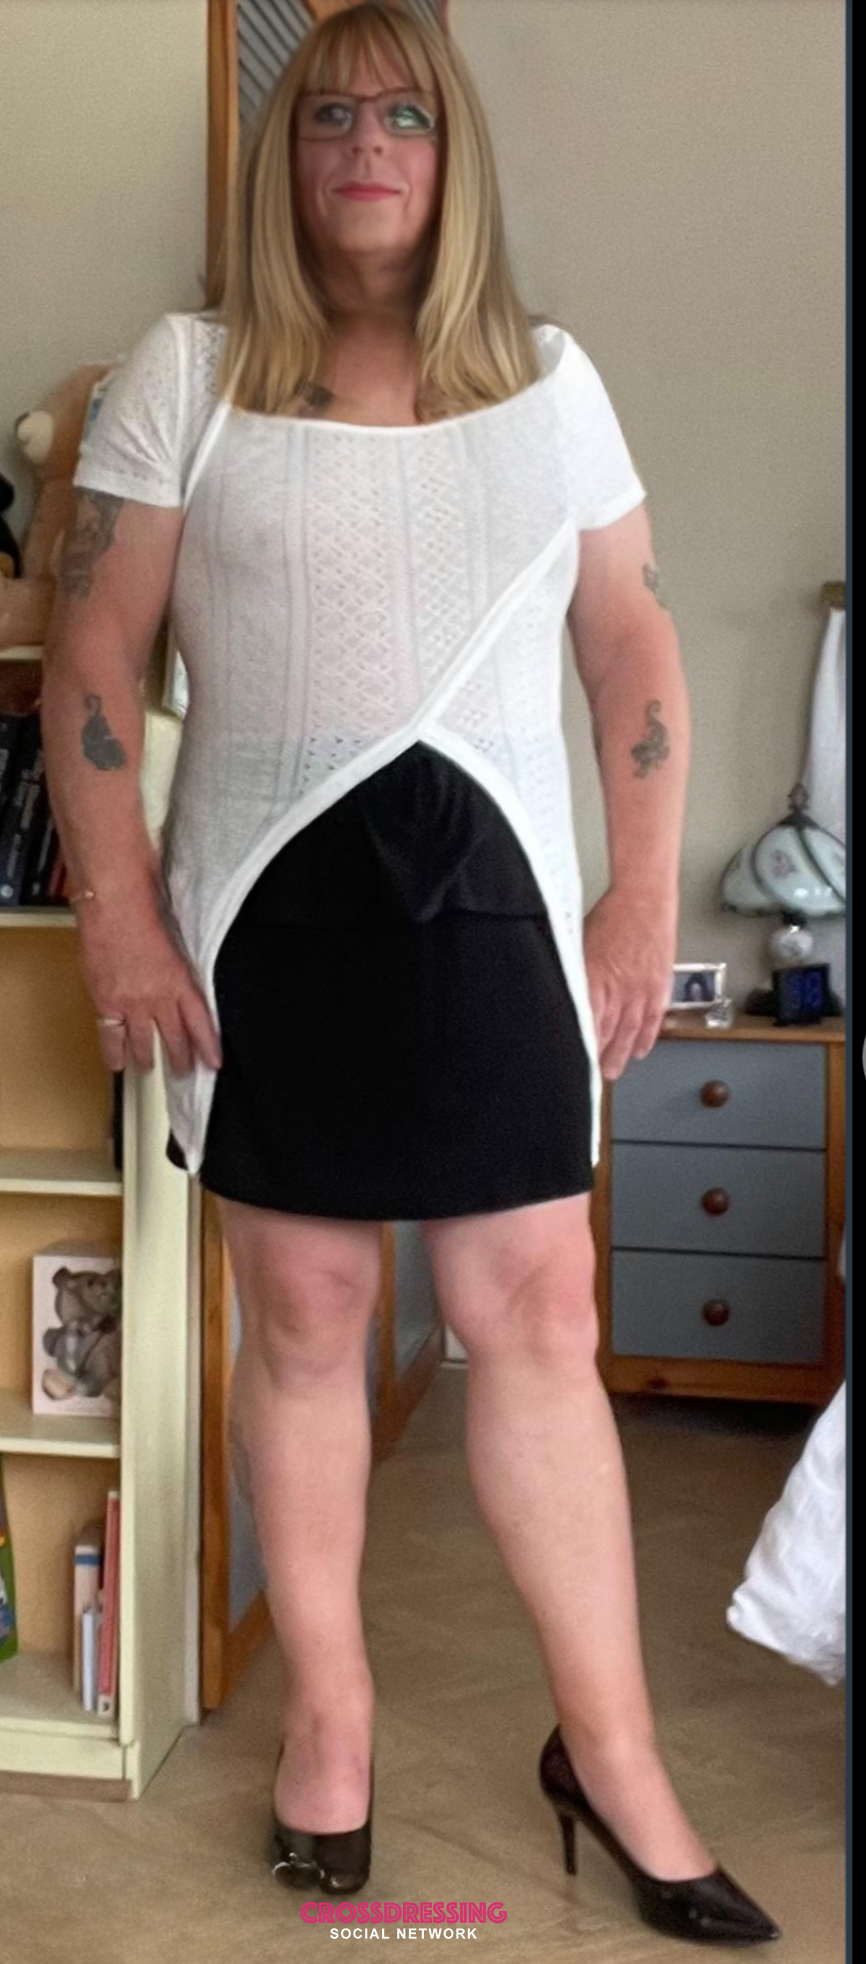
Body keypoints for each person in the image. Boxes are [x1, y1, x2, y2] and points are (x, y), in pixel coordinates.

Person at [40, 1, 779, 1945]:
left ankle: (610, 1753)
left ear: (454, 158)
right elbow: (95, 655)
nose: (364, 146)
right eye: (327, 116)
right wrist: (118, 913)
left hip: (502, 910)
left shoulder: (548, 380)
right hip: (263, 914)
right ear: (281, 158)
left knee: (533, 1309)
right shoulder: (187, 375)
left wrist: (638, 901)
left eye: (405, 116)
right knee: (302, 1314)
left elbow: (630, 643)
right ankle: (332, 1722)